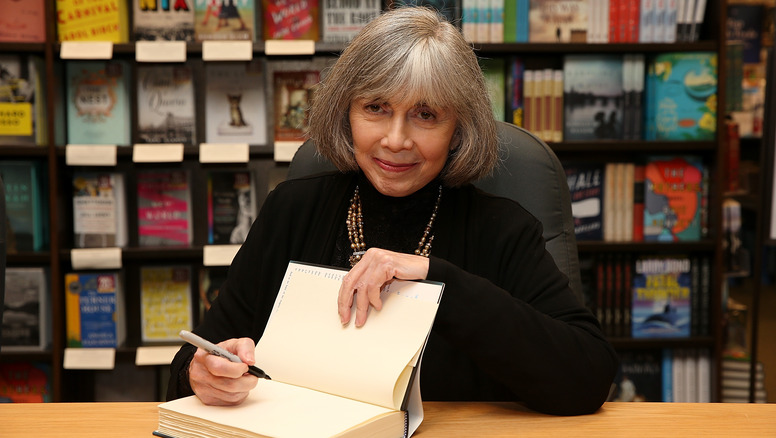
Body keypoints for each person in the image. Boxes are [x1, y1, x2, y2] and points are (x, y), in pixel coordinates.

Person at [167, 7, 618, 416]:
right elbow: (189, 365)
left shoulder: (502, 229)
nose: (396, 140)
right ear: (346, 111)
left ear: (458, 127)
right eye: (376, 108)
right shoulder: (291, 209)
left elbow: (587, 377)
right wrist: (202, 374)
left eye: (425, 115)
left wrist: (440, 280)